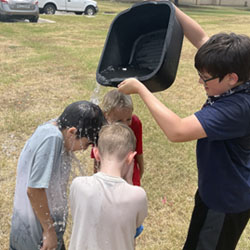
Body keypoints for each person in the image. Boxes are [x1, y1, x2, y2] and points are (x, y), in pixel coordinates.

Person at [118, 5, 250, 250]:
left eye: (206, 78)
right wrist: (170, 7)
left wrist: (141, 89)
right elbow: (201, 38)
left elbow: (176, 131)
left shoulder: (236, 109)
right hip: (214, 192)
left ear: (231, 78)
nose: (200, 81)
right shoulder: (238, 66)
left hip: (225, 202)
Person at [9, 101, 106, 250]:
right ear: (72, 132)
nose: (84, 149)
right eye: (87, 144)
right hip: (36, 237)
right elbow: (34, 190)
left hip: (29, 231)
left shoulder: (53, 126)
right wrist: (49, 231)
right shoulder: (52, 139)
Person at [69, 123, 148, 250]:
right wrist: (128, 180)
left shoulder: (78, 185)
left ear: (96, 153)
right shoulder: (138, 195)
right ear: (131, 158)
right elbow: (134, 228)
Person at [92, 89, 144, 186]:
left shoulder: (135, 123)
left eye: (128, 119)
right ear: (106, 115)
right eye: (119, 121)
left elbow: (138, 150)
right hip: (108, 172)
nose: (125, 125)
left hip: (130, 169)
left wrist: (141, 171)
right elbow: (97, 158)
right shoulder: (99, 127)